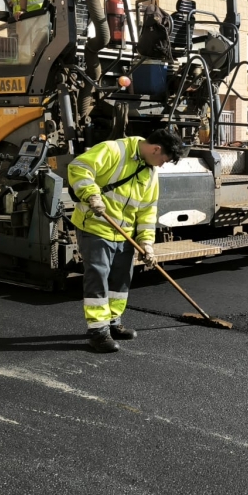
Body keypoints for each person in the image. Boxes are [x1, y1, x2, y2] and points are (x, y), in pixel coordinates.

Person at [68, 129, 185, 354]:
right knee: (98, 277)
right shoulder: (114, 149)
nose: (162, 165)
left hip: (124, 234)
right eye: (163, 160)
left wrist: (147, 243)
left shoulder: (150, 172)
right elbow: (79, 167)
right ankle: (97, 331)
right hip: (96, 226)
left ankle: (112, 322)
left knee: (121, 280)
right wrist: (91, 194)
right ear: (156, 149)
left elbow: (147, 210)